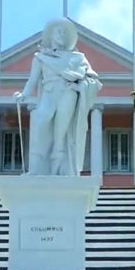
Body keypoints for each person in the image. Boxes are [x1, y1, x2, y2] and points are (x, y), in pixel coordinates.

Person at [14, 18, 102, 176]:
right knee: (40, 121)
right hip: (49, 94)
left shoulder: (78, 58)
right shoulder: (41, 57)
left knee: (60, 134)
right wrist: (24, 95)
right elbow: (32, 80)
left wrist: (79, 86)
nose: (61, 34)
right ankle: (36, 168)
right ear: (51, 35)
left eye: (64, 32)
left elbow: (93, 80)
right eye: (58, 31)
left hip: (68, 94)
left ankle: (58, 172)